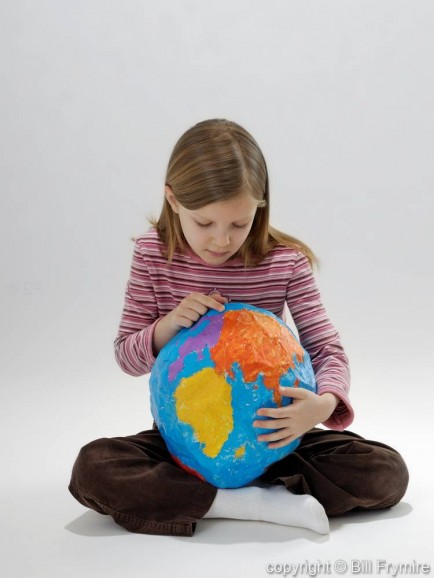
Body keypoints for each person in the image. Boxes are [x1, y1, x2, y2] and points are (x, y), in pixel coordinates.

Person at [68, 119, 409, 537]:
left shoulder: (285, 262)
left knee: (386, 472)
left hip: (276, 434)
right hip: (187, 447)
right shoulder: (152, 254)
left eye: (239, 223)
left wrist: (321, 406)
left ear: (259, 207)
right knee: (93, 468)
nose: (221, 241)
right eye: (204, 223)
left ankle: (205, 498)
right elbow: (126, 355)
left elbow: (325, 348)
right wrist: (168, 325)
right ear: (173, 201)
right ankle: (248, 504)